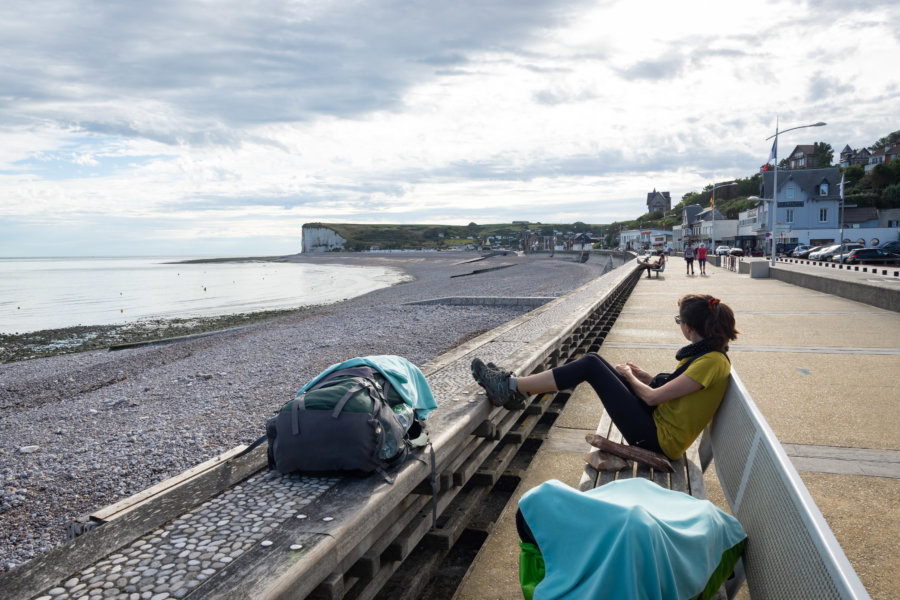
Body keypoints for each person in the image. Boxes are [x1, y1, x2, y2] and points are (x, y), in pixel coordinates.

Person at [471, 294, 739, 460]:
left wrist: (629, 378)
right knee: (596, 360)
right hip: (657, 427)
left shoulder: (711, 361)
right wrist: (643, 376)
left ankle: (510, 387)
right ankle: (516, 388)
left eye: (678, 320)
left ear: (688, 327)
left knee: (590, 364)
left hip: (658, 441)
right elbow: (673, 390)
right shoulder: (708, 355)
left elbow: (654, 397)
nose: (679, 325)